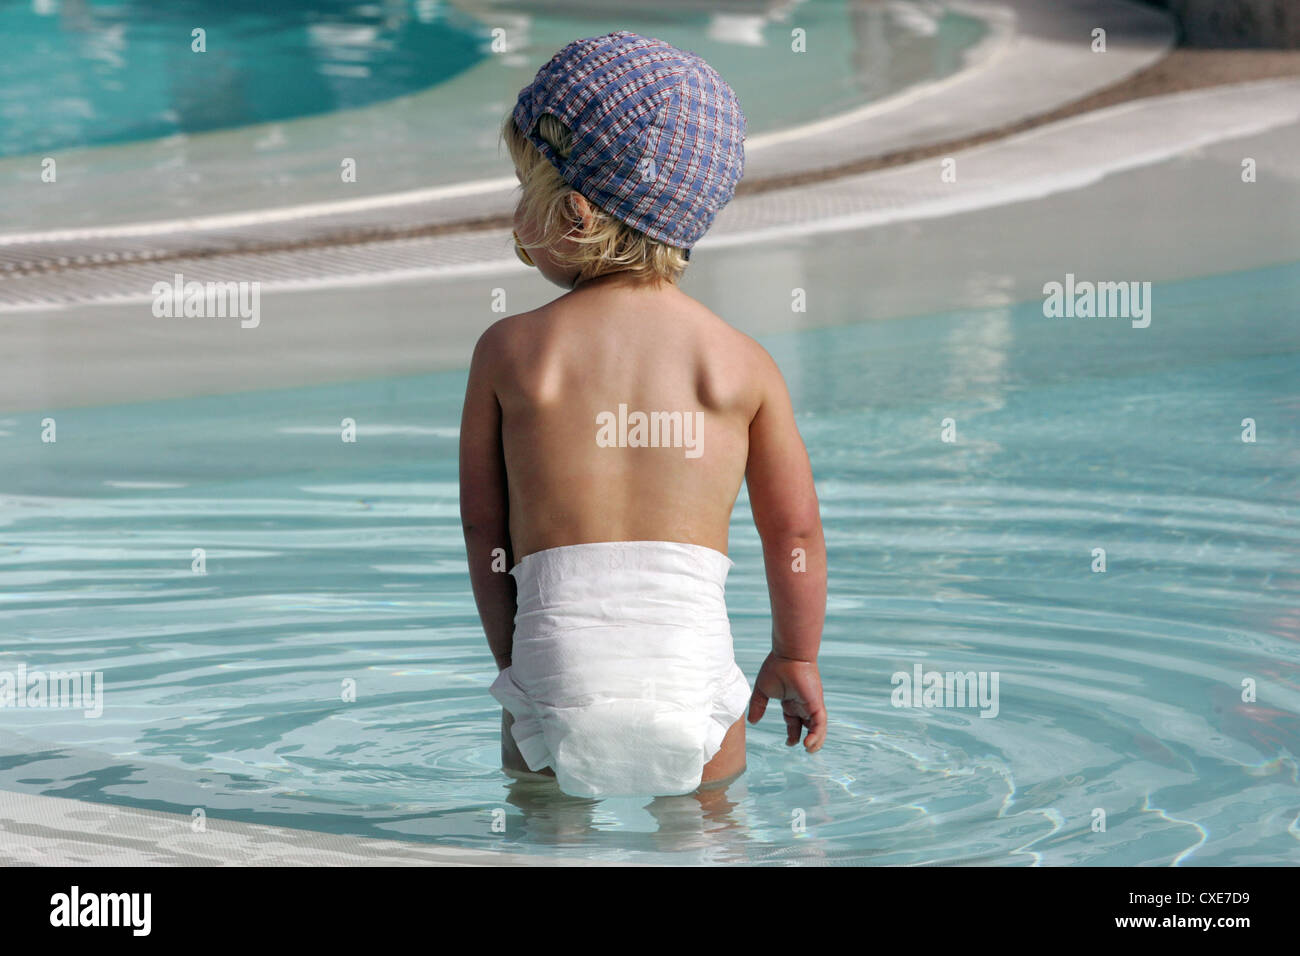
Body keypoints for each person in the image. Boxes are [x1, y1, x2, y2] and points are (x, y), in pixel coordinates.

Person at [459, 31, 826, 799]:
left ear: (577, 215)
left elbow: (484, 532)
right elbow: (792, 533)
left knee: (543, 834)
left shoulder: (513, 351)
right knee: (708, 830)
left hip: (555, 665)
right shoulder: (741, 363)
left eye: (524, 188)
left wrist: (516, 664)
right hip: (693, 676)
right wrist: (796, 656)